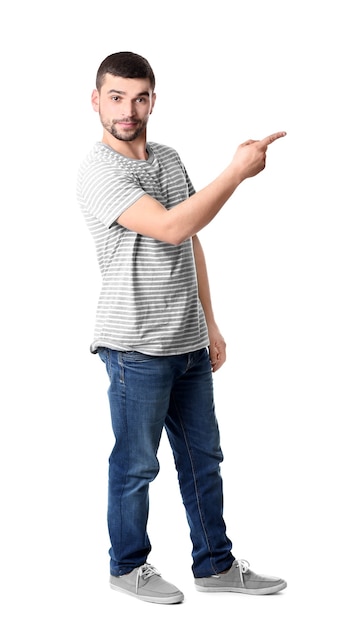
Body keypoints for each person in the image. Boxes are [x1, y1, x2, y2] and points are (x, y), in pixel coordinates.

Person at [77, 51, 287, 605]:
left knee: (204, 459)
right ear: (96, 100)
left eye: (140, 96)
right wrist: (236, 173)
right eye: (117, 97)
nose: (129, 109)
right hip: (134, 347)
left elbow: (192, 239)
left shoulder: (168, 159)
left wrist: (210, 323)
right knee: (136, 464)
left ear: (154, 100)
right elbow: (170, 226)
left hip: (187, 342)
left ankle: (215, 565)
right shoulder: (98, 169)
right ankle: (128, 566)